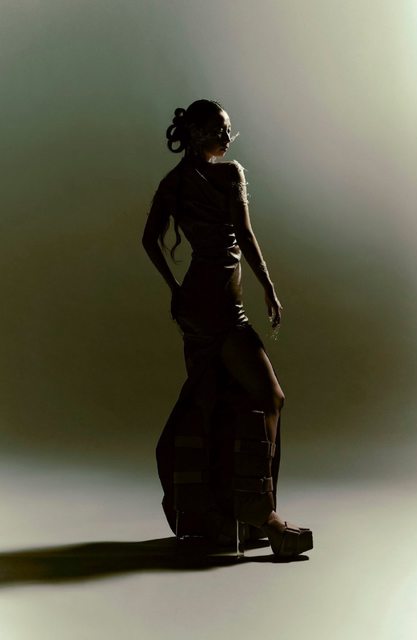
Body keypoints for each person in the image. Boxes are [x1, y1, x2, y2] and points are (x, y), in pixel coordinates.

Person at [142, 99, 312, 558]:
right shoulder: (226, 174)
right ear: (196, 132)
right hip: (217, 308)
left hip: (197, 304)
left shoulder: (174, 182)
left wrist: (176, 289)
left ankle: (220, 519)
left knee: (216, 400)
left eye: (228, 129)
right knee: (267, 395)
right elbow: (245, 235)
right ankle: (261, 513)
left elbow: (148, 239)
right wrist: (269, 287)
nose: (227, 136)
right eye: (219, 128)